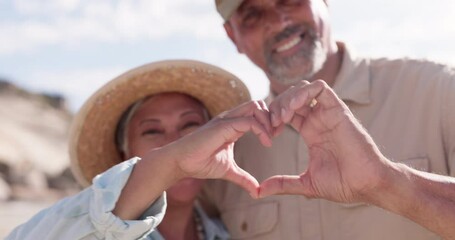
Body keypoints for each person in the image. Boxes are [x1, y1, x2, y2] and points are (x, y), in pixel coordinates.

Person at [203, 0, 455, 239]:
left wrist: (386, 183)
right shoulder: (230, 154)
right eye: (252, 14)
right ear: (232, 36)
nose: (279, 22)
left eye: (290, 0)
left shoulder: (440, 91)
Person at [6, 59, 273, 240]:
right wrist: (171, 164)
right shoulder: (90, 230)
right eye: (152, 130)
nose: (175, 142)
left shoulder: (227, 233)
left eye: (190, 125)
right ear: (124, 152)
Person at [258, 80, 455, 239]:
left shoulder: (440, 87)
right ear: (232, 35)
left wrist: (384, 183)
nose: (279, 27)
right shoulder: (241, 146)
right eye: (250, 26)